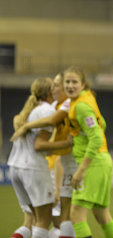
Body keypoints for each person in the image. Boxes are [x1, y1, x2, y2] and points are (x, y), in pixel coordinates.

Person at [11, 73, 77, 238]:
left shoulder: (31, 109)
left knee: (32, 220)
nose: (56, 88)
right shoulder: (47, 111)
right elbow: (39, 145)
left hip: (15, 166)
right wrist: (66, 144)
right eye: (53, 85)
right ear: (49, 91)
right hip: (32, 167)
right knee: (43, 221)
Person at [62, 66, 113, 238]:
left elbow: (96, 139)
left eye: (74, 82)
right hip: (103, 161)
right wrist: (79, 133)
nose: (70, 85)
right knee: (102, 215)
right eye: (67, 82)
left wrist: (81, 170)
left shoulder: (81, 106)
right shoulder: (86, 100)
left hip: (94, 164)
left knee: (76, 215)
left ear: (82, 84)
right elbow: (103, 126)